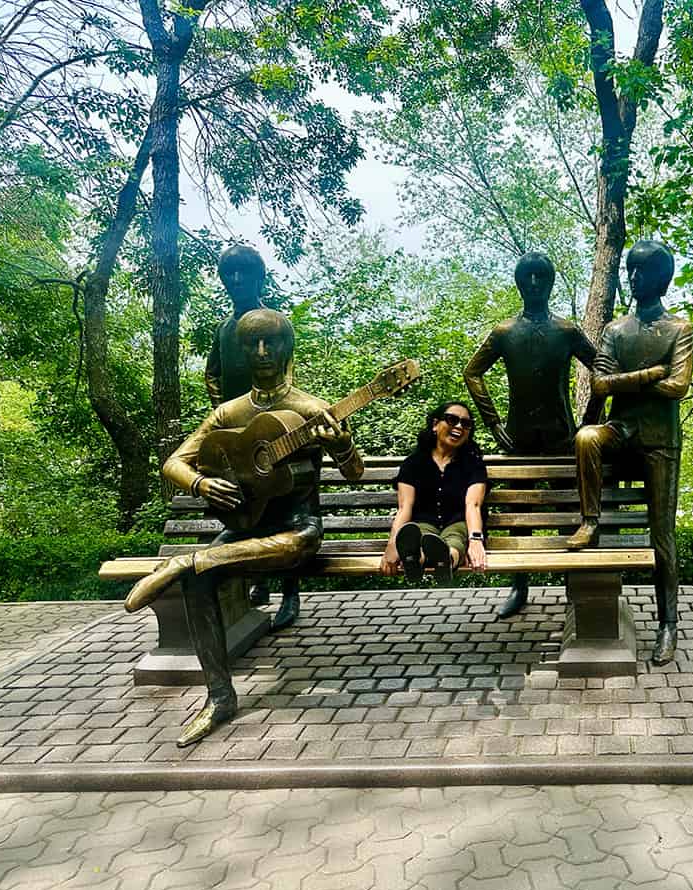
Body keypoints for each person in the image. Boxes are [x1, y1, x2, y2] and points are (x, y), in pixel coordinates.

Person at [125, 309, 364, 746]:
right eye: (252, 344)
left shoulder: (311, 409)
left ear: (286, 347)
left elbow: (355, 474)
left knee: (297, 542)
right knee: (199, 583)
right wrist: (200, 482)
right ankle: (219, 697)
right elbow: (173, 462)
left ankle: (186, 561)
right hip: (244, 528)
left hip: (295, 530)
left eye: (270, 341)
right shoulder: (228, 413)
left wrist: (342, 443)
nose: (261, 352)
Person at [567, 240, 693, 666]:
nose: (633, 277)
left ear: (661, 277)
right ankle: (589, 521)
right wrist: (653, 373)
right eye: (630, 269)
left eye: (642, 270)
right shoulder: (615, 330)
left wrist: (633, 379)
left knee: (663, 536)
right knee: (586, 438)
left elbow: (679, 387)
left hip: (660, 439)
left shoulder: (680, 329)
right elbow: (601, 384)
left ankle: (668, 624)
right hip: (621, 429)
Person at [463, 251, 602, 619]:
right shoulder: (505, 332)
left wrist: (589, 421)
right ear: (519, 282)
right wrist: (492, 422)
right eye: (528, 277)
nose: (535, 283)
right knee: (517, 513)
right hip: (519, 437)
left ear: (551, 281)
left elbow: (603, 369)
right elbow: (472, 372)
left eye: (542, 276)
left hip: (561, 437)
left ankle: (577, 583)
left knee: (571, 510)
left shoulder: (567, 330)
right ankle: (518, 585)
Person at [204, 244, 300, 631]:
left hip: (274, 430)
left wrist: (269, 414)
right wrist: (224, 412)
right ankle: (254, 582)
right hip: (234, 436)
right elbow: (212, 373)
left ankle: (290, 591)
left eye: (244, 273)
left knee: (285, 505)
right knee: (245, 507)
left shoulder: (275, 322)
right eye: (230, 274)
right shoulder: (224, 329)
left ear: (260, 277)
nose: (237, 281)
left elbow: (289, 373)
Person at [379, 402, 489, 583]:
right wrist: (392, 544)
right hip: (424, 522)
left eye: (466, 424)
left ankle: (446, 560)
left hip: (459, 522)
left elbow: (473, 504)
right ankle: (414, 559)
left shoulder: (473, 464)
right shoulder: (414, 463)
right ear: (435, 424)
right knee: (418, 536)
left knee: (456, 539)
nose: (459, 427)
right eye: (452, 420)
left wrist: (476, 540)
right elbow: (405, 506)